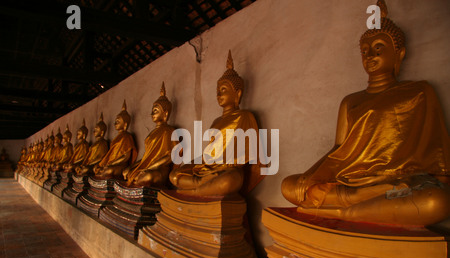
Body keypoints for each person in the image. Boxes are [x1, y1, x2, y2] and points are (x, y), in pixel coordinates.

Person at [281, 0, 450, 226]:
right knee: (290, 186)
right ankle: (357, 202)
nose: (369, 55)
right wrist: (310, 175)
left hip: (399, 180)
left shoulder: (418, 92)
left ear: (399, 53)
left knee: (436, 202)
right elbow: (338, 149)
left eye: (378, 48)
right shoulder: (350, 101)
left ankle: (342, 213)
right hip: (351, 180)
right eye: (364, 51)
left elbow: (435, 154)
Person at [169, 51, 260, 197]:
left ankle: (195, 191)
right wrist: (193, 164)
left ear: (237, 94)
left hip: (227, 170)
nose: (218, 94)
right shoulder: (216, 121)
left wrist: (223, 167)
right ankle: (202, 188)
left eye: (223, 90)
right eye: (217, 90)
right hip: (208, 169)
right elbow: (209, 154)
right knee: (175, 175)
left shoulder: (244, 116)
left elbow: (249, 155)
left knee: (231, 180)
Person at [123, 83, 176, 188]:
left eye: (155, 111)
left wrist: (150, 168)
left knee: (147, 176)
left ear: (165, 114)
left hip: (159, 169)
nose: (152, 114)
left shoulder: (168, 131)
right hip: (148, 166)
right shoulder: (151, 133)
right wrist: (131, 167)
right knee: (130, 173)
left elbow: (171, 156)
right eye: (152, 110)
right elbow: (146, 157)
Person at [93, 101, 137, 179]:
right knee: (97, 169)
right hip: (111, 164)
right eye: (115, 122)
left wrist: (112, 164)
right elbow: (109, 155)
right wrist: (104, 164)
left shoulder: (127, 136)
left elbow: (126, 157)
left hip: (120, 165)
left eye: (118, 122)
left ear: (125, 124)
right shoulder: (115, 138)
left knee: (108, 170)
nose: (115, 124)